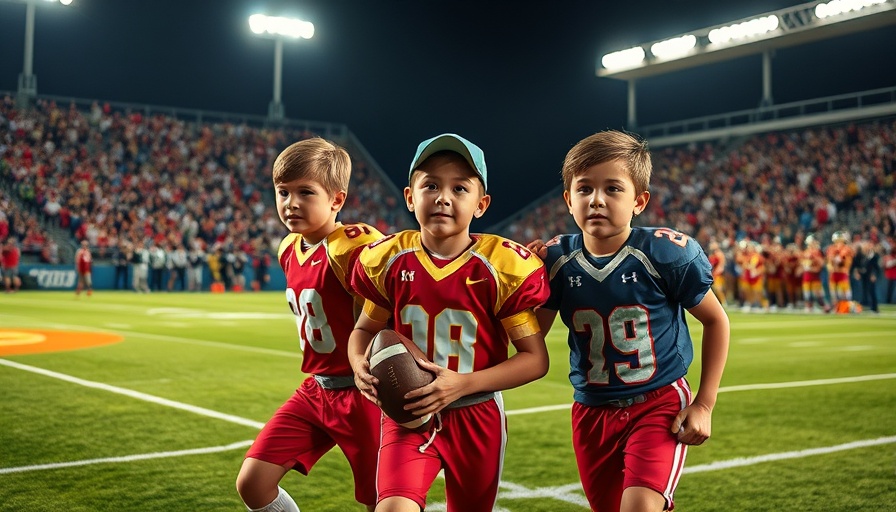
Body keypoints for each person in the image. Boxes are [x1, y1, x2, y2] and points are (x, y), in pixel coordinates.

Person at [528, 130, 730, 512]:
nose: (597, 200)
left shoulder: (664, 253)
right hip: (591, 408)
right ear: (569, 199)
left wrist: (704, 404)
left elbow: (717, 321)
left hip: (658, 402)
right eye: (584, 189)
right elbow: (529, 335)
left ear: (639, 201)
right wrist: (522, 281)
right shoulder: (555, 260)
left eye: (613, 189)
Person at [347, 133, 550, 512]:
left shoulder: (502, 265)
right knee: (393, 507)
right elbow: (363, 331)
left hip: (477, 412)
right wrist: (358, 362)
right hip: (405, 413)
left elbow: (535, 359)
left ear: (481, 204)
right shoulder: (390, 258)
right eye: (431, 185)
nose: (443, 197)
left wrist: (463, 384)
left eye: (459, 188)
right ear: (410, 196)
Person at [236, 137, 384, 512]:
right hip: (317, 390)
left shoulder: (353, 245)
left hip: (364, 395)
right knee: (253, 482)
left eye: (306, 192)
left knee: (381, 501)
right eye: (283, 192)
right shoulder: (288, 247)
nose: (291, 203)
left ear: (336, 199)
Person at [825, 231, 855, 312]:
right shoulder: (831, 249)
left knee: (844, 293)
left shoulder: (847, 249)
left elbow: (848, 262)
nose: (838, 243)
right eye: (837, 241)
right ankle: (837, 308)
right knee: (834, 294)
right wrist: (831, 267)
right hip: (834, 274)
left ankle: (847, 308)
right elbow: (828, 262)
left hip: (842, 273)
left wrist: (842, 264)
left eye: (840, 241)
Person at [852, 239, 880, 313]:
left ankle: (874, 308)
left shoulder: (874, 255)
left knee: (872, 290)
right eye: (863, 248)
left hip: (870, 275)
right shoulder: (859, 255)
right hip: (863, 275)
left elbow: (876, 267)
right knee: (863, 290)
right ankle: (864, 305)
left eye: (866, 247)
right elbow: (855, 264)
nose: (864, 249)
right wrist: (856, 271)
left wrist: (874, 274)